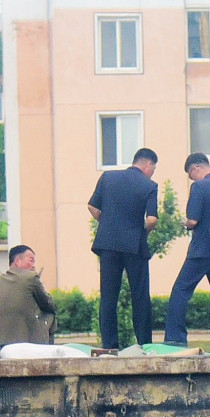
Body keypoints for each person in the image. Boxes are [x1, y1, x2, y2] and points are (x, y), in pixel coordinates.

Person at [164, 153, 210, 352]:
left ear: (196, 168)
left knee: (180, 290)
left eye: (191, 174)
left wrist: (184, 223)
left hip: (203, 249)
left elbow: (193, 220)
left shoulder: (199, 187)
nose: (192, 178)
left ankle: (175, 339)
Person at [87, 146, 160, 349]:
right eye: (153, 168)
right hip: (134, 245)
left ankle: (109, 346)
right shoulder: (149, 185)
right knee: (140, 295)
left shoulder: (108, 177)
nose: (152, 172)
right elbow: (152, 219)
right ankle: (144, 344)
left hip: (107, 243)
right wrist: (142, 232)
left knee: (108, 296)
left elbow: (92, 206)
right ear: (148, 164)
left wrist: (108, 222)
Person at [0, 244, 58, 346]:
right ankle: (46, 352)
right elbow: (48, 304)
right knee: (51, 315)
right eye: (31, 260)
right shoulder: (31, 277)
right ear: (17, 261)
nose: (33, 266)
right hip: (26, 338)